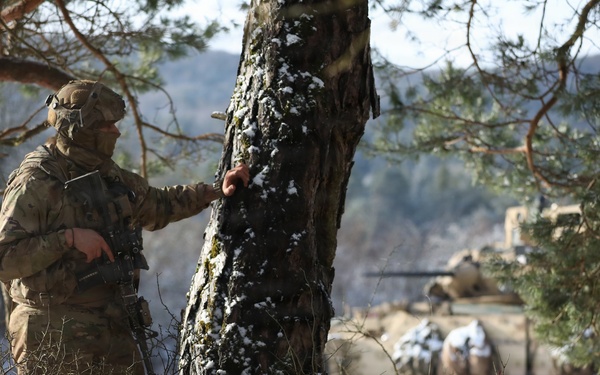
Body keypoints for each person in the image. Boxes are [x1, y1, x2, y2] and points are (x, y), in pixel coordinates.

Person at [0, 80, 250, 374]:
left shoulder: (107, 174)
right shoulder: (37, 182)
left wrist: (213, 191)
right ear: (82, 128)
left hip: (111, 327)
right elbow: (5, 258)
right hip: (53, 333)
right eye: (107, 126)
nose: (116, 132)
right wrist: (68, 238)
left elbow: (157, 204)